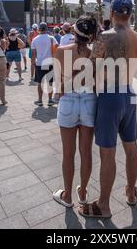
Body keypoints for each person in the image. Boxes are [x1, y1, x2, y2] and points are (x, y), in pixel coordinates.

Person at [78, 0, 137, 219]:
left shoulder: (105, 37)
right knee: (131, 147)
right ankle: (131, 192)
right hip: (129, 94)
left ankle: (104, 205)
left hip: (109, 96)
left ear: (111, 14)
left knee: (108, 153)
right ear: (130, 15)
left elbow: (89, 71)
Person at [52, 16, 98, 208]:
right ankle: (82, 192)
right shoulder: (96, 55)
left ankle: (68, 195)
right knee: (86, 152)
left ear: (74, 31)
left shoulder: (61, 51)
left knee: (68, 153)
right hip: (88, 101)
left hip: (68, 101)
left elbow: (58, 84)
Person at [31, 22, 58, 107]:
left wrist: (33, 62)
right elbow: (57, 47)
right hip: (50, 62)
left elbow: (33, 54)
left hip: (39, 63)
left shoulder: (35, 39)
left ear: (39, 29)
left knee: (40, 83)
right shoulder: (51, 38)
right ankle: (50, 100)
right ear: (46, 29)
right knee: (50, 82)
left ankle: (40, 100)